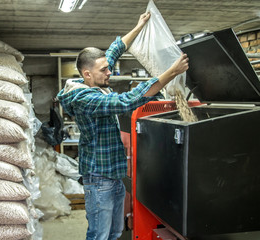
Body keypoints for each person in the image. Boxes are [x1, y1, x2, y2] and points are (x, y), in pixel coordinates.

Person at [56, 12, 189, 240]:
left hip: (112, 174)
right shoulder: (84, 98)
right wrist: (170, 73)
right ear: (88, 74)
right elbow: (127, 100)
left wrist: (139, 26)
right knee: (99, 235)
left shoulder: (85, 79)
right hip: (99, 178)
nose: (110, 72)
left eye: (108, 68)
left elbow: (114, 50)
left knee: (115, 233)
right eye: (104, 71)